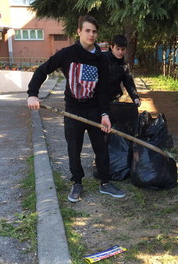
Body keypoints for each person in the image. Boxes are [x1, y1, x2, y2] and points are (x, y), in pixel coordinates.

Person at [27, 15, 126, 202]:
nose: (91, 34)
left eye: (94, 31)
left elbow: (104, 90)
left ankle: (105, 182)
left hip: (95, 109)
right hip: (73, 109)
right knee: (74, 148)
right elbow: (42, 70)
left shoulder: (101, 58)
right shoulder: (67, 54)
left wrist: (105, 114)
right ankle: (77, 183)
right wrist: (33, 94)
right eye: (87, 30)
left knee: (102, 148)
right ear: (79, 31)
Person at [104, 34, 140, 105]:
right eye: (117, 49)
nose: (120, 52)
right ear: (112, 47)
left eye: (122, 49)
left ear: (126, 49)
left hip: (114, 100)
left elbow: (129, 82)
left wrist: (135, 97)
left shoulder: (124, 65)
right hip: (98, 101)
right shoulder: (102, 59)